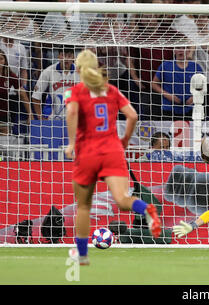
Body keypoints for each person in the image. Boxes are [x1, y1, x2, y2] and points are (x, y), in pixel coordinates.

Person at [65, 50, 161, 265]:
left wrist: (71, 143)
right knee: (122, 199)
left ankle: (82, 256)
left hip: (88, 151)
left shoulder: (75, 91)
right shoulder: (111, 90)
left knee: (83, 206)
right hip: (112, 151)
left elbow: (71, 113)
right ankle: (147, 209)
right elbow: (133, 115)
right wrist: (125, 139)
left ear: (79, 69)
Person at [152, 45, 203, 121]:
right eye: (178, 48)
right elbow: (153, 84)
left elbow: (202, 87)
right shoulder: (165, 66)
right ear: (174, 50)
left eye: (184, 48)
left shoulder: (196, 67)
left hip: (190, 109)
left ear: (189, 51)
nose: (181, 50)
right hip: (169, 109)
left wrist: (194, 97)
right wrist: (168, 96)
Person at [32, 46, 79, 120]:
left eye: (69, 56)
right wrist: (40, 118)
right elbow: (35, 96)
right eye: (63, 55)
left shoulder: (81, 72)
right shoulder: (48, 72)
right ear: (58, 56)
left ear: (73, 57)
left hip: (74, 117)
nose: (66, 59)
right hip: (52, 118)